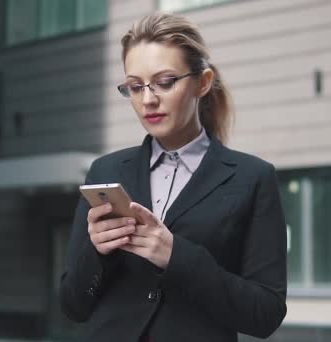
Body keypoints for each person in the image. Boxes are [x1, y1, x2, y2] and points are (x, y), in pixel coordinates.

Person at [59, 12, 287, 342]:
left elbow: (265, 314)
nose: (148, 99)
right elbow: (72, 306)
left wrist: (177, 257)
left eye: (165, 82)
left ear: (203, 82)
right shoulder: (105, 172)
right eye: (135, 87)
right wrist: (97, 252)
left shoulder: (253, 178)